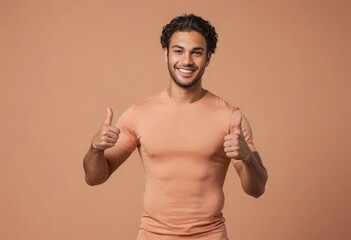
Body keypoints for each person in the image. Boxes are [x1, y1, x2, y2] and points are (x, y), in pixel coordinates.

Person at [83, 14, 268, 240]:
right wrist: (95, 149)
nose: (187, 61)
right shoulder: (138, 114)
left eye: (196, 52)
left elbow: (257, 189)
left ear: (208, 57)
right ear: (166, 54)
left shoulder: (230, 117)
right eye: (178, 51)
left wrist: (248, 157)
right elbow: (94, 178)